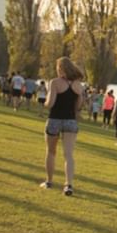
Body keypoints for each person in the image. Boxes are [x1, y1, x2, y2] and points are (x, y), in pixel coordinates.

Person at [39, 57, 85, 196]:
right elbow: (78, 106)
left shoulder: (55, 82)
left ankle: (49, 181)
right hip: (70, 121)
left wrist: (43, 101)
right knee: (69, 155)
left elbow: (50, 103)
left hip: (54, 119)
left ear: (60, 68)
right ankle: (68, 185)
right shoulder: (78, 86)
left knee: (51, 152)